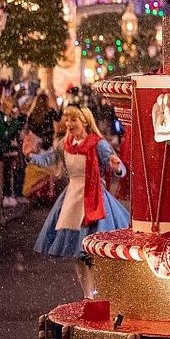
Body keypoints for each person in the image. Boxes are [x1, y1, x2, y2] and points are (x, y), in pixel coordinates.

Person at [26, 105, 130, 298]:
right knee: (77, 253)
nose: (69, 123)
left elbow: (117, 167)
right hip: (72, 199)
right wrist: (30, 155)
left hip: (94, 198)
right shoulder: (65, 144)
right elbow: (47, 160)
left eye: (73, 119)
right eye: (67, 119)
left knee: (92, 252)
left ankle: (96, 294)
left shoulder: (98, 144)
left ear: (84, 121)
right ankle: (87, 294)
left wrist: (117, 167)